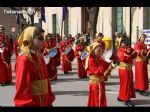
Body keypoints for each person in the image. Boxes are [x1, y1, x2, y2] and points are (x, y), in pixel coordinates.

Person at [14, 27, 55, 106]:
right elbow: (23, 89)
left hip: (44, 101)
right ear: (30, 38)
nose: (43, 41)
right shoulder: (24, 59)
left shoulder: (39, 56)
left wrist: (49, 101)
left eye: (44, 38)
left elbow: (46, 81)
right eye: (40, 38)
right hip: (33, 102)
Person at [85, 42, 113, 107]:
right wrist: (106, 61)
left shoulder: (97, 57)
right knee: (99, 101)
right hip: (96, 84)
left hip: (100, 82)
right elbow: (100, 71)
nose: (100, 52)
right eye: (98, 51)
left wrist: (109, 61)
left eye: (101, 50)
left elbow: (105, 69)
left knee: (97, 100)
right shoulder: (91, 60)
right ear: (93, 50)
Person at [117, 39, 137, 107]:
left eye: (126, 42)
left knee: (128, 84)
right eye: (123, 42)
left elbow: (134, 55)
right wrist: (128, 52)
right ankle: (126, 100)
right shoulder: (120, 50)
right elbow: (122, 58)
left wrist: (134, 52)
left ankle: (120, 97)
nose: (125, 44)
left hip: (129, 69)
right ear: (120, 43)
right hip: (123, 69)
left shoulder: (129, 48)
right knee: (125, 84)